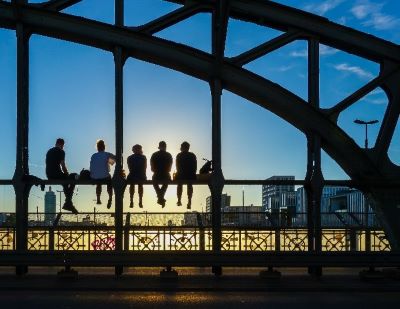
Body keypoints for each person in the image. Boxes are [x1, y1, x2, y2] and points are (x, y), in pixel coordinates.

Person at [46, 138, 78, 214]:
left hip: (49, 175)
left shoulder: (49, 151)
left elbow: (48, 163)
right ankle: (68, 203)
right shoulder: (61, 151)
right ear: (62, 145)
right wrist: (67, 174)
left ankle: (68, 203)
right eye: (63, 145)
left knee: (65, 183)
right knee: (73, 176)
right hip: (57, 174)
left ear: (56, 143)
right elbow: (63, 165)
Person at [90, 139, 116, 209]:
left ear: (97, 147)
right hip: (105, 176)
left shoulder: (93, 155)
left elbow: (92, 166)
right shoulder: (107, 154)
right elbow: (114, 161)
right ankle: (110, 198)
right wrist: (108, 161)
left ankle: (98, 198)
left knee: (98, 182)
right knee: (109, 182)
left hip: (94, 176)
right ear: (104, 147)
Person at [150, 141, 172, 208]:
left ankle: (160, 197)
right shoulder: (169, 155)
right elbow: (170, 168)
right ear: (165, 147)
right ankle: (160, 197)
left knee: (154, 181)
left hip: (156, 174)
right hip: (165, 174)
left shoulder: (154, 154)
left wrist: (156, 170)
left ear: (159, 147)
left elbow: (152, 167)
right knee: (166, 182)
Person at [175, 141, 197, 209]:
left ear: (182, 147)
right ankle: (189, 201)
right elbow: (195, 167)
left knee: (179, 184)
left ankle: (179, 200)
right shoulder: (192, 155)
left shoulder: (179, 155)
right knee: (190, 185)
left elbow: (177, 167)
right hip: (190, 175)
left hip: (181, 175)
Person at [127, 144, 147, 208]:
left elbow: (130, 168)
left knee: (132, 185)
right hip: (141, 175)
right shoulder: (143, 157)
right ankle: (140, 201)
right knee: (140, 185)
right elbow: (144, 168)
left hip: (132, 175)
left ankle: (131, 201)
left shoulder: (129, 158)